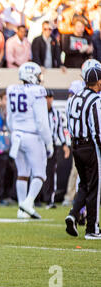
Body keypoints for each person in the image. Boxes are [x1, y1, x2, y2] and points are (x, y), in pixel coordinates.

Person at [6, 62, 53, 219]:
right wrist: (48, 141)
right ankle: (28, 202)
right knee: (40, 174)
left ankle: (21, 210)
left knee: (23, 173)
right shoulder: (38, 91)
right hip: (32, 136)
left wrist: (14, 132)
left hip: (16, 134)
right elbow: (41, 121)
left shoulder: (12, 89)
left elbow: (9, 118)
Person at [65, 66, 101, 240]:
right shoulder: (95, 99)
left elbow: (69, 123)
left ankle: (73, 214)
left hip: (76, 145)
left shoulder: (75, 97)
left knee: (84, 185)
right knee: (94, 187)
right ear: (99, 81)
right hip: (90, 146)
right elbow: (98, 129)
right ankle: (92, 229)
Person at [43, 89, 70, 209]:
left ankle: (50, 199)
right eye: (46, 97)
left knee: (51, 172)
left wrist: (64, 145)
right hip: (40, 145)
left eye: (50, 97)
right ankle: (36, 199)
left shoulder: (57, 114)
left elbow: (60, 131)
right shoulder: (39, 113)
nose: (48, 100)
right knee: (37, 172)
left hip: (53, 145)